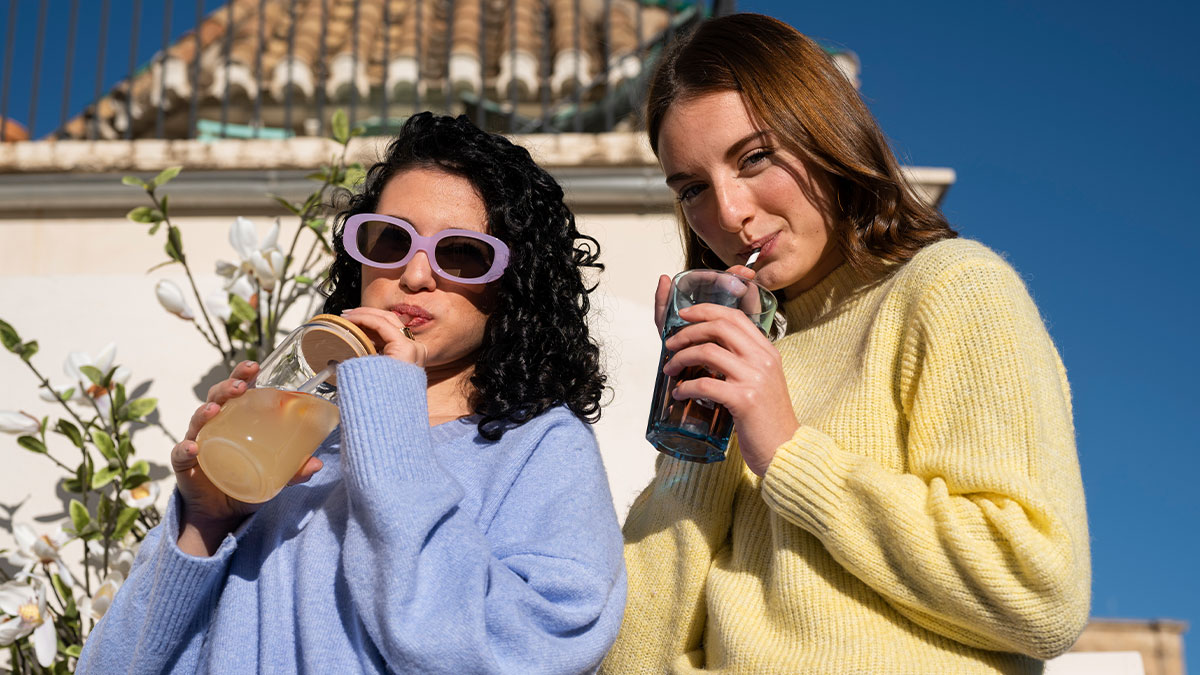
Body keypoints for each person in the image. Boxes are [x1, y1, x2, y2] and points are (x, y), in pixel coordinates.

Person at [601, 13, 1090, 674]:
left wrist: (788, 452)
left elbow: (1040, 591)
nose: (729, 211)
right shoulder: (748, 347)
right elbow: (634, 655)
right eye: (692, 189)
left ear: (826, 135)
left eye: (754, 158)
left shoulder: (953, 289)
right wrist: (700, 438)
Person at [79, 112, 626, 673]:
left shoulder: (540, 446)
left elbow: (536, 650)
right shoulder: (298, 429)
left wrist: (389, 428)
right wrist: (205, 525)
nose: (415, 275)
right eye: (391, 240)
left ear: (516, 281)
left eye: (462, 252)